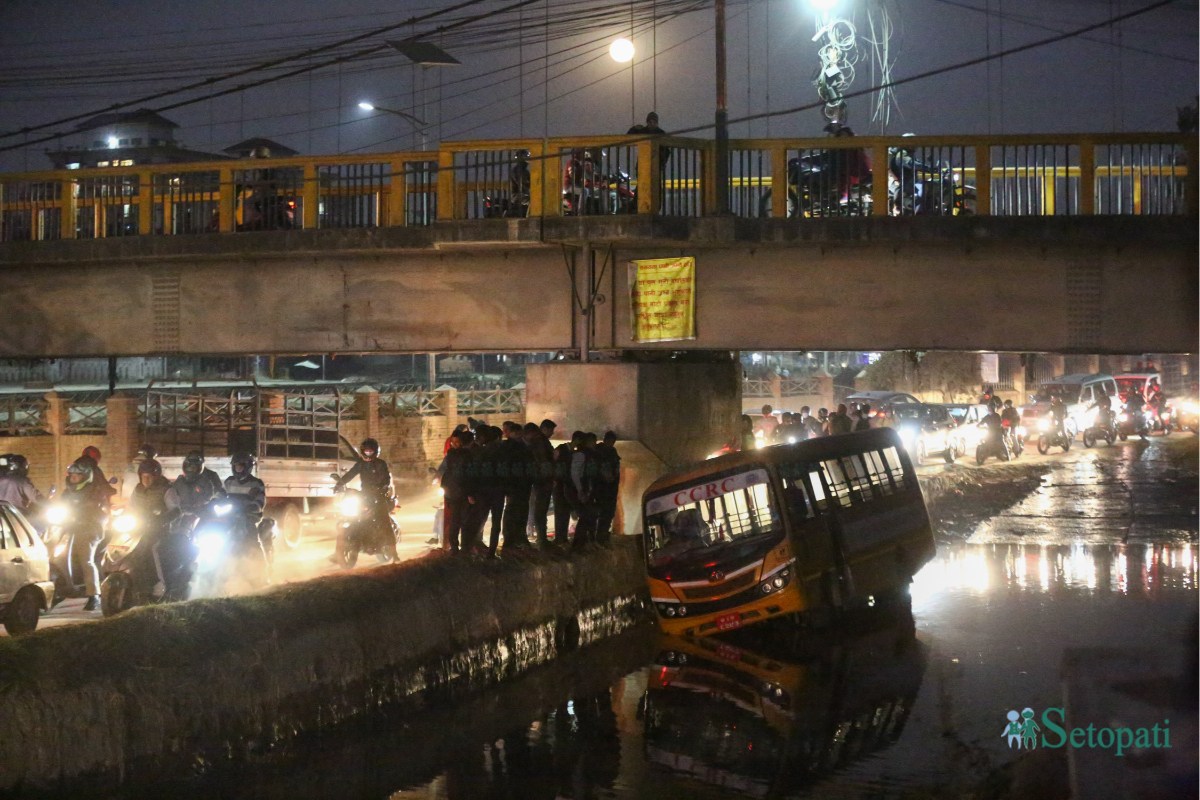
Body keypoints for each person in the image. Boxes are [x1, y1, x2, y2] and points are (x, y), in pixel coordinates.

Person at [62, 458, 111, 610]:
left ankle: (93, 595)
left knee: (86, 561)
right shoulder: (67, 492)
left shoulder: (94, 492)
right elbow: (59, 505)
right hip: (68, 528)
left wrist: (87, 516)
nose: (73, 478)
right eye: (71, 475)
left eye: (76, 475)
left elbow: (102, 512)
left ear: (85, 476)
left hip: (89, 529)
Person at [224, 452, 274, 572]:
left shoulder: (256, 483)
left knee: (251, 542)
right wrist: (212, 503)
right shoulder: (228, 482)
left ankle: (260, 572)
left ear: (247, 467)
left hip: (249, 518)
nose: (238, 468)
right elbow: (220, 496)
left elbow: (260, 501)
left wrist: (252, 507)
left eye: (240, 466)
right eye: (236, 466)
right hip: (231, 518)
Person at [497, 421, 534, 551]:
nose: (518, 435)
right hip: (515, 484)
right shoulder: (509, 447)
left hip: (522, 483)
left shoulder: (522, 446)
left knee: (520, 510)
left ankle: (518, 537)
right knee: (512, 511)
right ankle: (510, 539)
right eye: (516, 432)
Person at [439, 429, 476, 554]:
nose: (454, 444)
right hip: (460, 492)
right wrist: (470, 493)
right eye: (453, 442)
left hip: (455, 492)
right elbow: (467, 476)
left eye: (457, 441)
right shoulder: (465, 455)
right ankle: (462, 547)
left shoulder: (452, 455)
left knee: (456, 520)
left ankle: (455, 547)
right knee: (462, 520)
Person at [165, 451, 225, 518]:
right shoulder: (180, 481)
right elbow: (172, 495)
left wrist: (202, 505)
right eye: (189, 467)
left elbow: (214, 493)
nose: (191, 469)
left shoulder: (208, 479)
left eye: (194, 467)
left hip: (202, 512)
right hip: (182, 513)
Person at [524, 421, 555, 546]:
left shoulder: (534, 442)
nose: (552, 434)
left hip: (537, 481)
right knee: (540, 510)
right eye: (551, 430)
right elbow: (543, 462)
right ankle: (541, 538)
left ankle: (537, 535)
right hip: (541, 481)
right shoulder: (540, 442)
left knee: (536, 510)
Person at [568, 432, 599, 549]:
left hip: (585, 489)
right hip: (579, 490)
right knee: (585, 516)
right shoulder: (581, 455)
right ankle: (578, 544)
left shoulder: (588, 455)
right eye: (593, 442)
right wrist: (580, 490)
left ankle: (585, 541)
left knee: (589, 515)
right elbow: (575, 473)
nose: (594, 445)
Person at [593, 431, 621, 545]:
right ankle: (598, 537)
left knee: (608, 513)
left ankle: (603, 536)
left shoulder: (612, 452)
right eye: (609, 441)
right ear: (605, 440)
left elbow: (615, 468)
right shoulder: (598, 451)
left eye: (612, 442)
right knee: (600, 513)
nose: (611, 443)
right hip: (600, 488)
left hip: (611, 488)